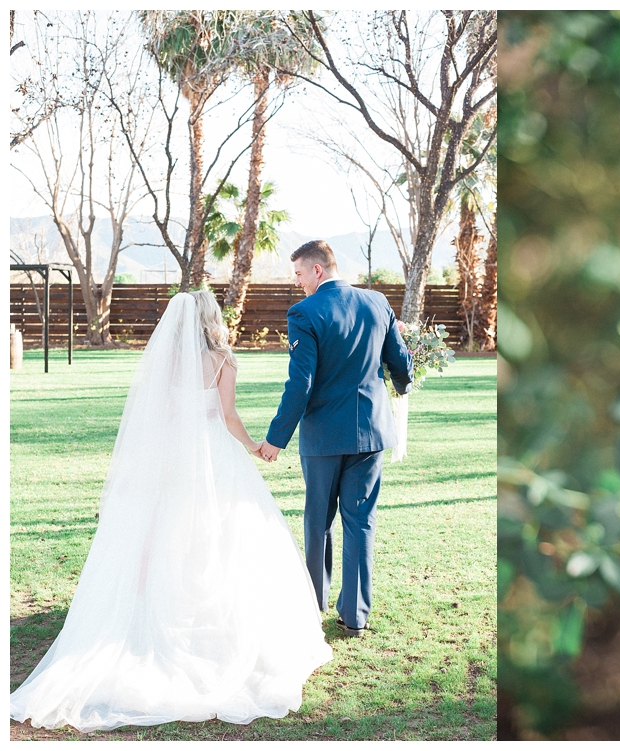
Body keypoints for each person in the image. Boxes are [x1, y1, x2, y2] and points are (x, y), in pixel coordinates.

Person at [10, 290, 332, 733]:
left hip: (172, 461)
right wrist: (254, 446)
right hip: (215, 458)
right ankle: (213, 626)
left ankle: (161, 611)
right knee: (219, 535)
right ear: (211, 317)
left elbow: (155, 418)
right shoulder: (223, 358)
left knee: (165, 531)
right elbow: (228, 416)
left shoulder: (165, 361)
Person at [258, 240, 413, 637]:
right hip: (372, 434)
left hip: (325, 437)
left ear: (317, 271)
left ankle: (313, 604)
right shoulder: (379, 302)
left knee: (318, 521)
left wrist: (277, 437)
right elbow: (400, 363)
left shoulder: (305, 312)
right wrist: (403, 382)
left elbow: (301, 383)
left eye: (297, 274)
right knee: (361, 522)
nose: (296, 283)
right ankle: (355, 617)